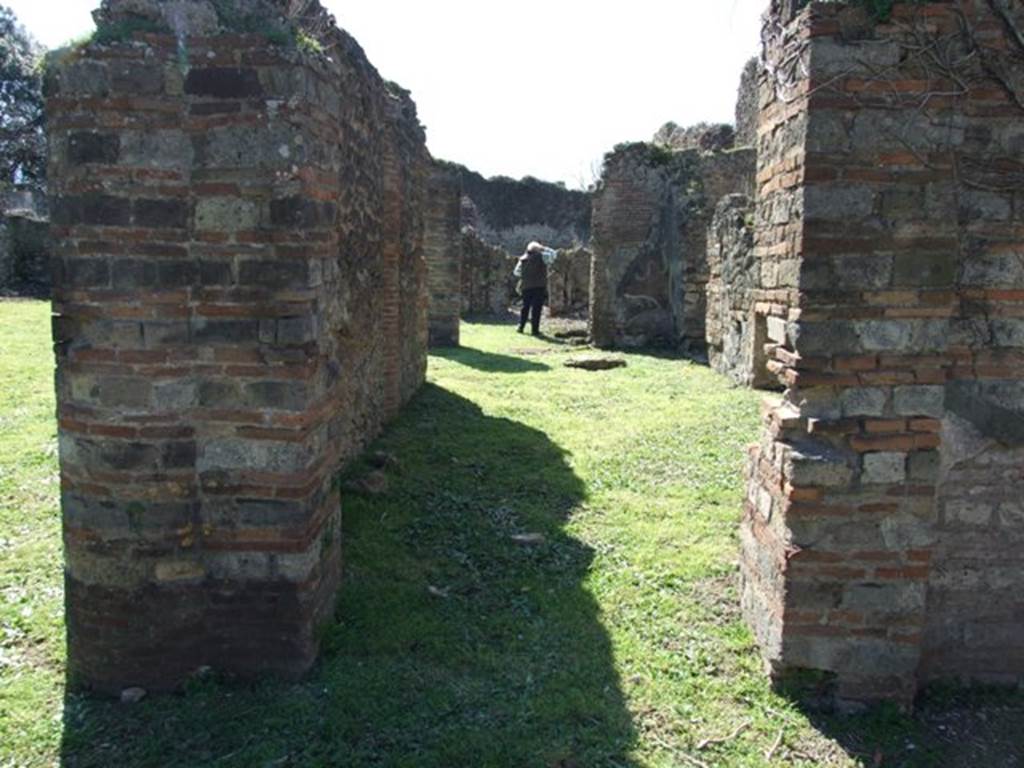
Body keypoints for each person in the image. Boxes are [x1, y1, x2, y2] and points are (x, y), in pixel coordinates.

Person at [514, 241, 557, 336]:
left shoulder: (522, 259)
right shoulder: (543, 256)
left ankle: (521, 327)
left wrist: (525, 276)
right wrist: (544, 248)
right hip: (539, 286)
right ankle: (535, 330)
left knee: (525, 308)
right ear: (538, 249)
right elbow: (554, 255)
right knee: (536, 309)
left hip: (526, 286)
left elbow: (516, 272)